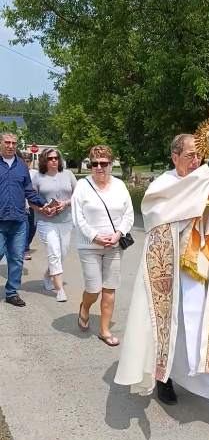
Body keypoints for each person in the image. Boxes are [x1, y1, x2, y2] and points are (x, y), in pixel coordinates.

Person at [115, 133, 209, 434]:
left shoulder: (206, 183)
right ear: (175, 157)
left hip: (203, 270)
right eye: (190, 155)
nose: (196, 161)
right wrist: (193, 205)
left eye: (199, 155)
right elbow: (156, 216)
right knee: (172, 330)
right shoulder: (163, 186)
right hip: (171, 274)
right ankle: (164, 377)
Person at [71, 145, 134, 346]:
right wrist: (95, 237)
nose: (99, 167)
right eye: (95, 164)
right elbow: (78, 217)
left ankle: (104, 330)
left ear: (111, 164)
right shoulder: (82, 186)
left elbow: (128, 214)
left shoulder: (119, 185)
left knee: (110, 288)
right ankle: (85, 308)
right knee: (94, 288)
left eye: (104, 164)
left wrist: (118, 235)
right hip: (89, 246)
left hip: (114, 246)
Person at [0, 132, 50, 307]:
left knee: (17, 258)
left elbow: (28, 191)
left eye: (14, 143)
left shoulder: (22, 166)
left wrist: (43, 204)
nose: (11, 145)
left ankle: (12, 293)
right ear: (1, 143)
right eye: (7, 142)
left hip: (19, 221)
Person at [30, 148, 77, 302]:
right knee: (53, 251)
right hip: (45, 221)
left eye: (56, 158)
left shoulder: (68, 175)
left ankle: (47, 274)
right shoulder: (38, 177)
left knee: (62, 252)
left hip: (65, 220)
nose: (54, 161)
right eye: (50, 158)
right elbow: (31, 200)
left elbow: (78, 195)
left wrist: (66, 203)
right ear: (45, 160)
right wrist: (41, 209)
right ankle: (60, 289)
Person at [22, 152, 37, 260]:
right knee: (26, 228)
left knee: (33, 228)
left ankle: (26, 243)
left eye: (27, 161)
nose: (26, 163)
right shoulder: (18, 172)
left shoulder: (35, 174)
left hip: (33, 205)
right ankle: (25, 249)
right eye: (24, 161)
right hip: (23, 206)